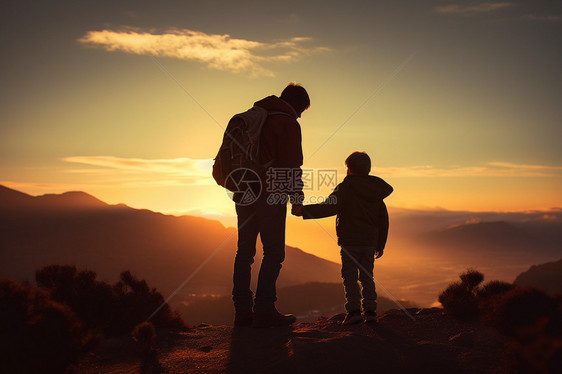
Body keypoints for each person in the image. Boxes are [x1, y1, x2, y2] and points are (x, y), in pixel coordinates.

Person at [233, 83, 310, 328]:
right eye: (301, 111)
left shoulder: (254, 116)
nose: (300, 116)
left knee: (244, 253)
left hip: (243, 191)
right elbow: (291, 165)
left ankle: (242, 310)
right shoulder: (287, 123)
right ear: (296, 105)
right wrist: (297, 199)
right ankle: (264, 309)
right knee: (274, 253)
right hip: (270, 194)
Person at [292, 151, 392, 325]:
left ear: (349, 170)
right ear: (368, 169)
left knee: (350, 276)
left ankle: (354, 312)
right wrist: (380, 245)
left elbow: (329, 207)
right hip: (369, 242)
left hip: (350, 241)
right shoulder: (376, 192)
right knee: (367, 276)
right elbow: (383, 221)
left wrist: (304, 211)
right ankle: (370, 312)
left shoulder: (345, 187)